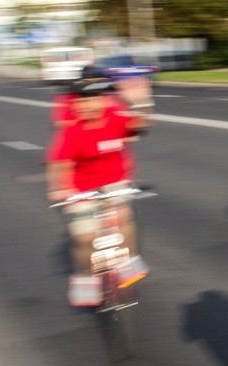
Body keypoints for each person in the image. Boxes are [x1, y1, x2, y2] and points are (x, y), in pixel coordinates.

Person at [46, 76, 154, 306]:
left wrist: (141, 103)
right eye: (80, 101)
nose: (85, 106)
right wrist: (62, 189)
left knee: (123, 216)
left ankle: (129, 262)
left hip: (114, 181)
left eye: (91, 100)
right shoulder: (72, 132)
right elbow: (60, 164)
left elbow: (140, 126)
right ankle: (84, 278)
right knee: (85, 238)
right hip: (80, 187)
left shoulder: (115, 119)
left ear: (105, 102)